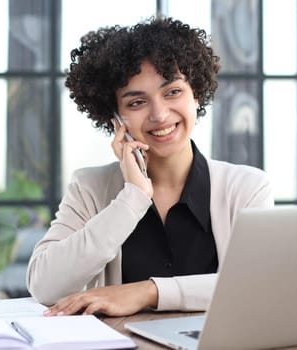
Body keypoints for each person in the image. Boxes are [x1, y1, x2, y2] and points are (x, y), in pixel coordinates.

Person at [26, 16, 274, 317]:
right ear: (114, 119)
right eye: (136, 103)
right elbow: (44, 286)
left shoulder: (246, 188)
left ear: (196, 94)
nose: (159, 115)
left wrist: (148, 291)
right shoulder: (90, 187)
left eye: (172, 92)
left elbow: (258, 285)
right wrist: (133, 198)